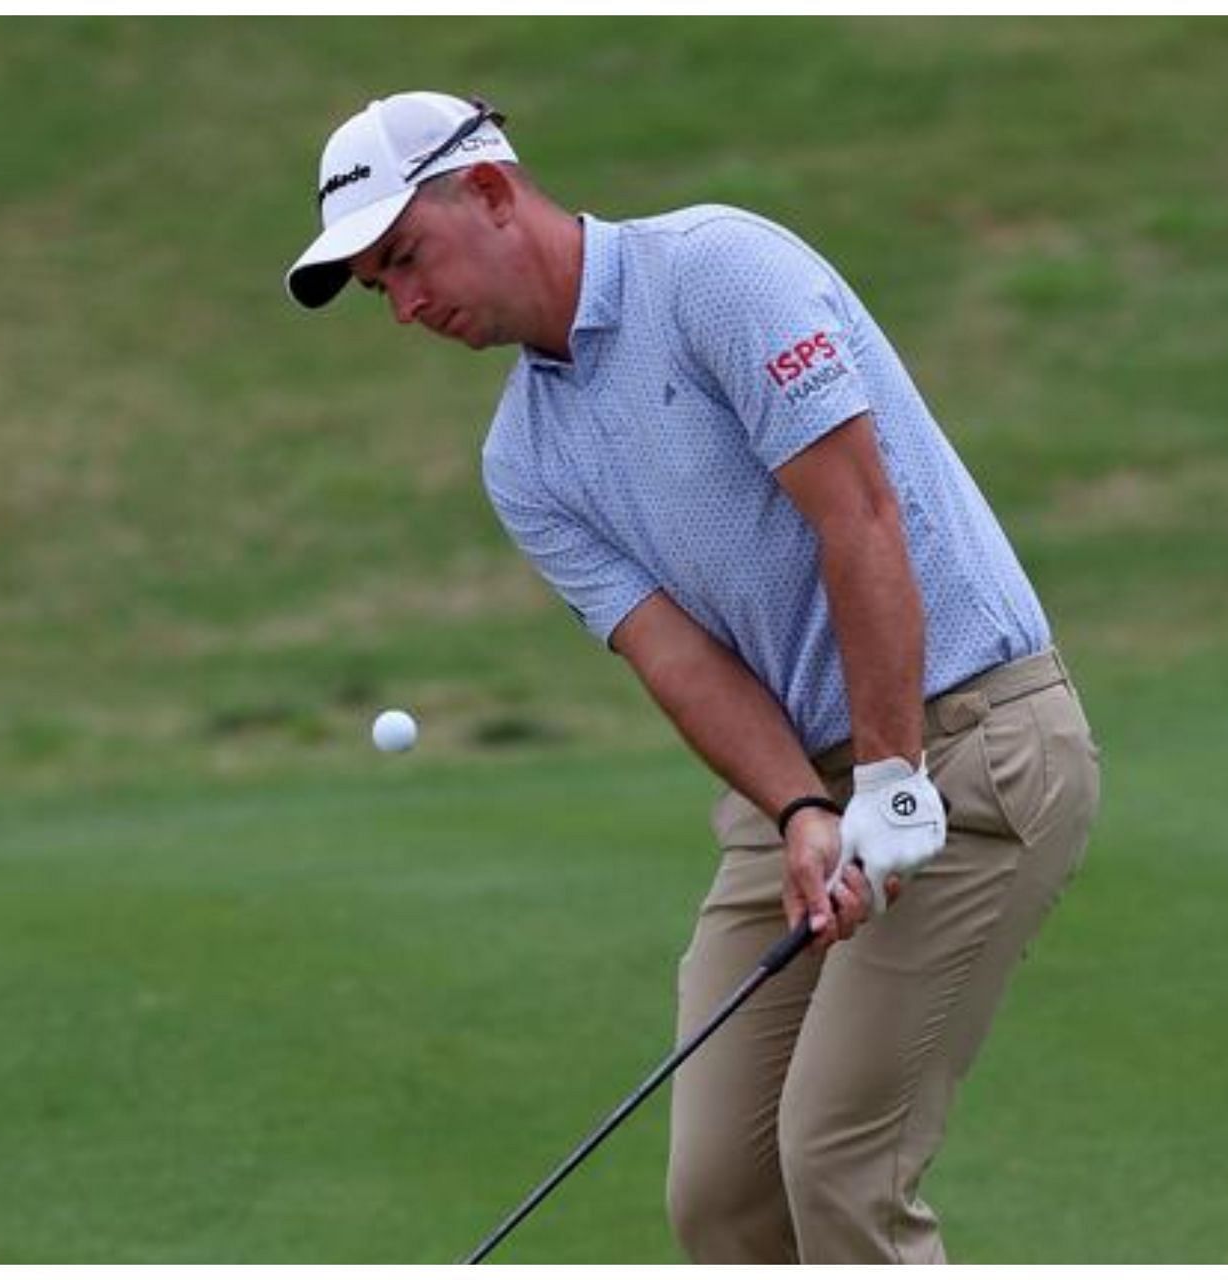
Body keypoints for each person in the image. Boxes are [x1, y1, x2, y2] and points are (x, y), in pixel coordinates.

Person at [285, 91, 1101, 1264]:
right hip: (806, 790)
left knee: (837, 1161)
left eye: (405, 256)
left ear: (495, 192)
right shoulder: (524, 458)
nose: (406, 304)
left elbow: (861, 516)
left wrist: (885, 775)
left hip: (975, 743)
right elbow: (677, 655)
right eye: (378, 289)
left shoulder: (718, 272)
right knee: (720, 1198)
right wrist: (802, 807)